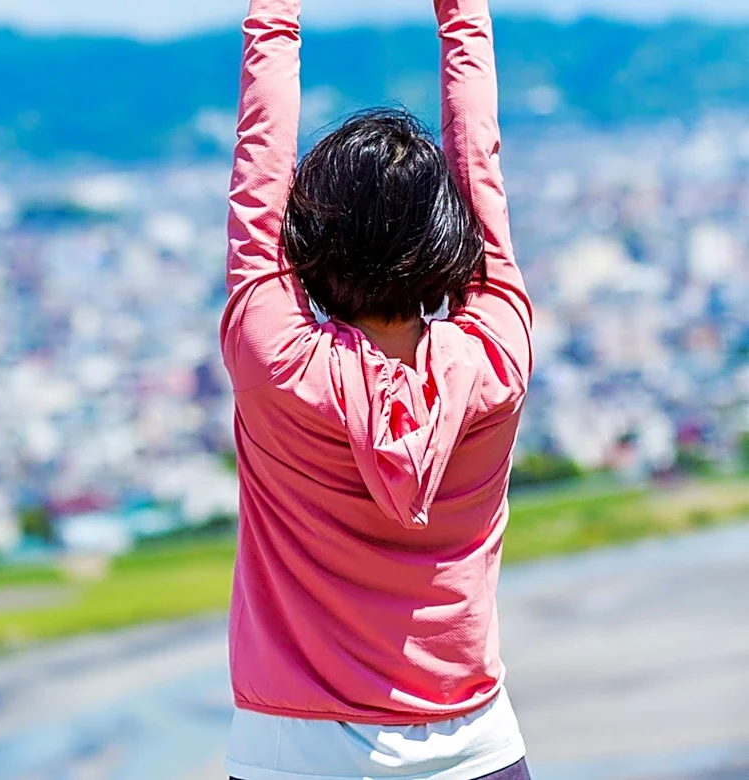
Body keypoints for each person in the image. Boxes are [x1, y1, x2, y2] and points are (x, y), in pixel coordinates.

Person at [221, 0, 534, 777]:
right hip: (479, 749)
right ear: (448, 235)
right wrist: (461, 13)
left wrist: (274, 13)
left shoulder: (280, 367)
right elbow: (480, 165)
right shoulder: (496, 359)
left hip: (295, 752)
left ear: (307, 239)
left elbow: (259, 174)